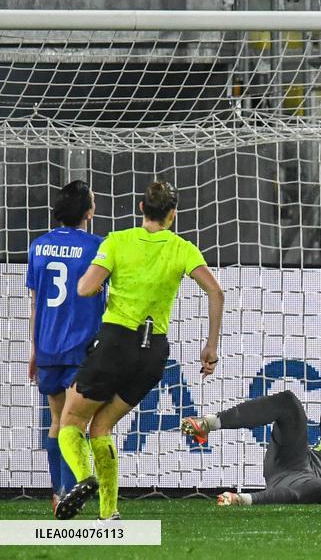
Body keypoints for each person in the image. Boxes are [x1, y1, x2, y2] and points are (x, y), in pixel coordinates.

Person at [54, 180, 225, 521]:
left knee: (70, 420)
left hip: (116, 341)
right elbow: (216, 293)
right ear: (172, 215)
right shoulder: (183, 249)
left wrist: (105, 280)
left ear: (141, 208)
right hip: (152, 353)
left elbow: (85, 289)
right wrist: (210, 345)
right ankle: (108, 512)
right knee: (102, 428)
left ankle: (85, 476)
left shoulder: (118, 241)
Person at [26, 181, 106, 514]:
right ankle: (74, 493)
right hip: (81, 347)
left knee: (56, 420)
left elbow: (36, 303)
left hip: (47, 348)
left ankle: (60, 492)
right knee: (78, 424)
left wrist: (34, 349)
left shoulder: (38, 246)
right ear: (89, 211)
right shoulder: (97, 247)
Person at [181, 381, 321, 506]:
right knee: (289, 402)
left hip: (304, 485)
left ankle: (243, 500)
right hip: (293, 461)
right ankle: (208, 423)